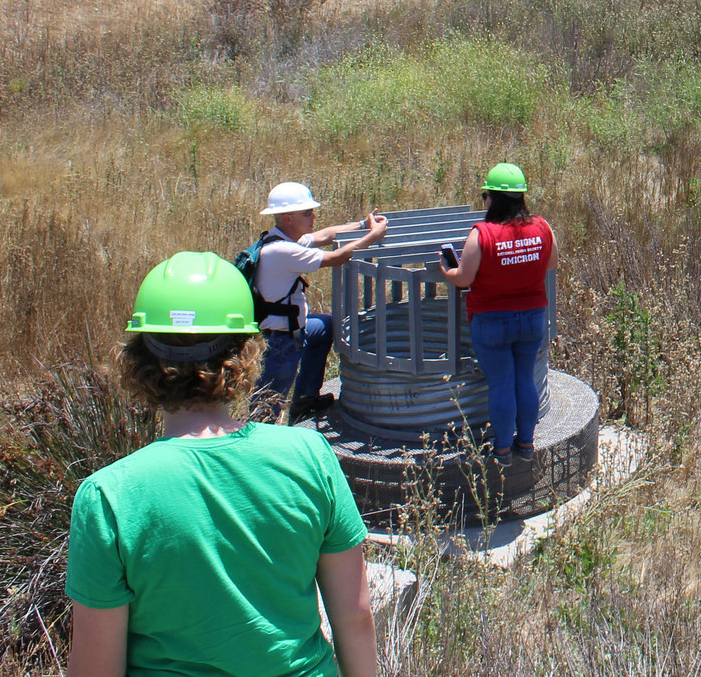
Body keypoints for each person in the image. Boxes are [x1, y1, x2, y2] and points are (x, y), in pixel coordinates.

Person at [65, 251, 375, 677]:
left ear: (139, 361)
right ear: (247, 353)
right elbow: (355, 618)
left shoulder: (109, 496)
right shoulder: (310, 456)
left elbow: (96, 669)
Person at [437, 162, 556, 466]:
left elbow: (464, 278)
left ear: (491, 198)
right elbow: (551, 263)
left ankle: (502, 449)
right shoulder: (543, 227)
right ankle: (526, 444)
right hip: (531, 317)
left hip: (491, 320)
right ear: (521, 198)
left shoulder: (482, 234)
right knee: (525, 379)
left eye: (485, 196)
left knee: (501, 384)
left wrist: (448, 271)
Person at [250, 182, 388, 420]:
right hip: (280, 342)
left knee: (324, 327)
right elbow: (337, 257)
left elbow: (326, 235)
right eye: (307, 212)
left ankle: (305, 398)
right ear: (287, 217)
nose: (314, 215)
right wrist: (373, 235)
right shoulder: (283, 250)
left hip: (291, 331)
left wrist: (363, 225)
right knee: (267, 406)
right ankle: (259, 444)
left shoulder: (281, 239)